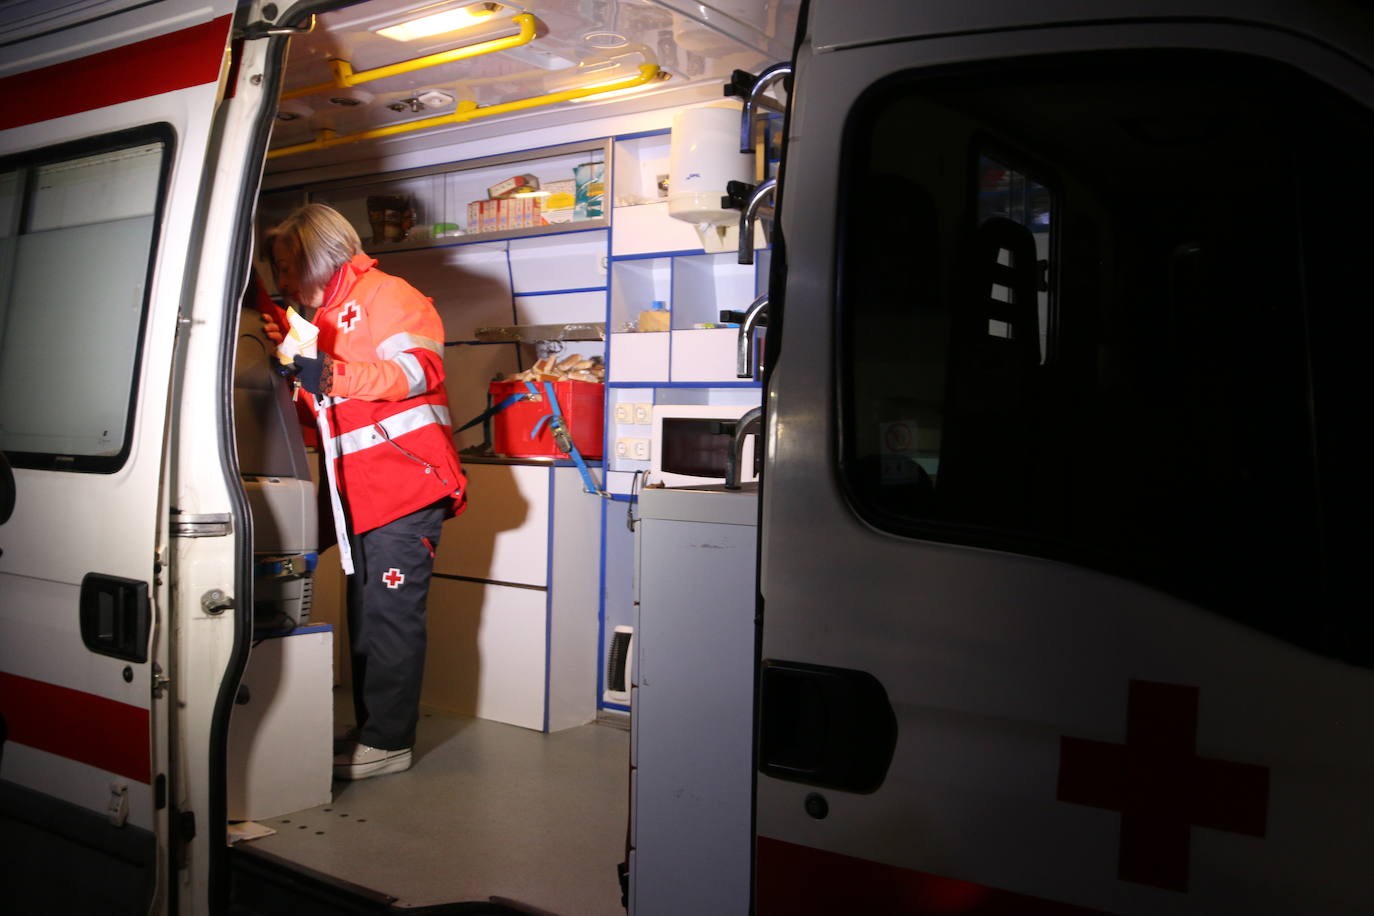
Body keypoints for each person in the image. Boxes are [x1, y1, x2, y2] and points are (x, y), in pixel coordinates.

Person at [262, 203, 467, 781]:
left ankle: (389, 740)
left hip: (406, 486)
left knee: (392, 616)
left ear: (317, 252)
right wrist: (296, 381)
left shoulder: (387, 293)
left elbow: (418, 372)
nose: (282, 279)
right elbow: (326, 416)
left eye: (286, 264)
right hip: (358, 493)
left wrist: (323, 373)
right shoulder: (316, 316)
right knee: (367, 614)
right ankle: (372, 731)